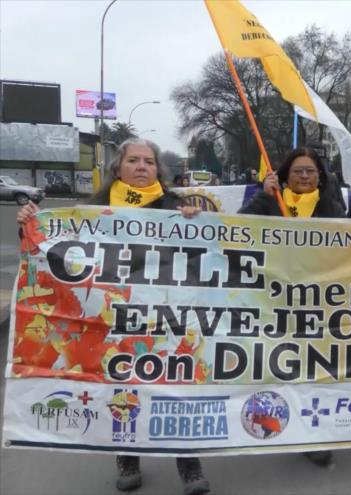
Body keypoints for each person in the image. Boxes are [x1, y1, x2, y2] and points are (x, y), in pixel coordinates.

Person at [16, 138, 209, 495]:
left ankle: (189, 463)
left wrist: (197, 224)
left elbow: (206, 254)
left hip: (167, 315)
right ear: (117, 168)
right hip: (113, 317)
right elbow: (51, 252)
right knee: (124, 386)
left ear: (158, 169)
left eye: (148, 161)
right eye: (132, 160)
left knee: (177, 388)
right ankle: (127, 457)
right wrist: (30, 223)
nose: (140, 167)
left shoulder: (177, 208)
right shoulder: (93, 209)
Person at [239, 148, 345, 467]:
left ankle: (312, 435)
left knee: (314, 372)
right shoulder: (271, 200)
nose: (303, 177)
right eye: (297, 171)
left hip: (317, 304)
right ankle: (274, 421)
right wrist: (264, 196)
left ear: (320, 176)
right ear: (285, 175)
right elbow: (238, 227)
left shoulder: (331, 206)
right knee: (281, 368)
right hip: (273, 301)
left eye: (310, 172)